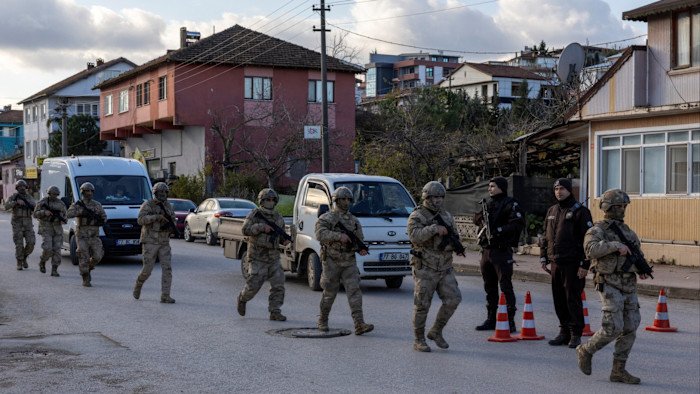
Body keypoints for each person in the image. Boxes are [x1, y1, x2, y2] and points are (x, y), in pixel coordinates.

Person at [577, 188, 649, 384]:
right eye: (618, 206)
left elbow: (636, 255)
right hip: (608, 282)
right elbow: (590, 250)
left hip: (628, 284)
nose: (622, 209)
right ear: (608, 206)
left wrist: (641, 268)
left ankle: (619, 369)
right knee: (613, 327)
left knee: (631, 327)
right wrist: (616, 246)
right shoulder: (597, 230)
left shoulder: (628, 232)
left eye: (624, 206)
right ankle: (586, 350)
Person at [407, 181, 463, 352]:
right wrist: (433, 229)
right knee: (422, 304)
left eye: (440, 197)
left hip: (445, 266)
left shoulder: (446, 216)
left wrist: (457, 245)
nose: (437, 200)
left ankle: (436, 331)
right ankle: (419, 339)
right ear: (426, 197)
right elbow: (415, 236)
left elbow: (454, 234)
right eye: (434, 197)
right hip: (426, 266)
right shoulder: (418, 216)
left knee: (454, 299)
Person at [540, 178, 593, 348]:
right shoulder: (552, 210)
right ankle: (563, 332)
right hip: (556, 262)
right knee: (559, 299)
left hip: (573, 263)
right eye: (556, 188)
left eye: (562, 188)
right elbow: (545, 236)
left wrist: (585, 265)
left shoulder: (580, 212)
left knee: (573, 298)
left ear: (569, 190)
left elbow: (588, 240)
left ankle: (576, 333)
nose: (558, 192)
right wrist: (543, 257)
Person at [315, 186, 374, 335]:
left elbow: (359, 239)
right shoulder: (327, 218)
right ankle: (323, 320)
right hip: (332, 260)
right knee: (329, 292)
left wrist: (359, 248)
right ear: (336, 200)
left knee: (354, 292)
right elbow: (320, 234)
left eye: (348, 199)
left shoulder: (354, 221)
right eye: (342, 199)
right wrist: (338, 236)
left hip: (349, 261)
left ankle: (359, 324)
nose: (346, 202)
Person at [474, 176, 525, 333]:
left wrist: (498, 231)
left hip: (502, 251)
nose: (490, 189)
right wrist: (481, 218)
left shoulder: (510, 204)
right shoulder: (488, 203)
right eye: (489, 186)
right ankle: (491, 318)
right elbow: (476, 219)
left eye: (493, 186)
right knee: (489, 286)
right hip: (487, 250)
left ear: (501, 187)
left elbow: (517, 224)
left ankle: (510, 320)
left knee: (505, 285)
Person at [236, 188, 291, 321]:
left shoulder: (278, 217)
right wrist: (261, 227)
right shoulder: (255, 215)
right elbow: (245, 230)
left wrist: (285, 240)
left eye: (273, 200)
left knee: (278, 285)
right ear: (261, 201)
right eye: (267, 200)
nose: (270, 202)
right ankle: (242, 298)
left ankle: (275, 311)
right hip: (257, 256)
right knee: (254, 285)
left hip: (273, 257)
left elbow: (280, 235)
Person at [133, 182, 176, 303]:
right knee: (147, 270)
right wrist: (156, 217)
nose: (162, 194)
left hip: (163, 241)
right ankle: (139, 284)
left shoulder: (168, 206)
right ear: (155, 193)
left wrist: (171, 227)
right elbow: (140, 220)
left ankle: (165, 295)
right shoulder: (148, 205)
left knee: (167, 268)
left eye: (164, 192)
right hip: (150, 241)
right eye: (160, 192)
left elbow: (172, 219)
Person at [66, 182, 107, 287]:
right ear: (82, 192)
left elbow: (104, 216)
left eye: (91, 191)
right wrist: (80, 212)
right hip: (82, 235)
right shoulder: (78, 204)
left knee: (98, 256)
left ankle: (88, 267)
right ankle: (85, 277)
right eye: (87, 191)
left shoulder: (97, 205)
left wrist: (100, 221)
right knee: (83, 256)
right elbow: (68, 214)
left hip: (94, 235)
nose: (89, 193)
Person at [33, 186, 67, 277]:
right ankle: (42, 261)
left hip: (57, 229)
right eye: (53, 194)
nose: (54, 196)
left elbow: (65, 214)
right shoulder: (43, 202)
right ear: (49, 194)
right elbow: (35, 214)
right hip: (46, 228)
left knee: (57, 250)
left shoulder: (61, 204)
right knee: (47, 248)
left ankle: (54, 269)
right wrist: (44, 213)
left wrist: (63, 220)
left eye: (56, 195)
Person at [5, 180, 36, 270]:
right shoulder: (13, 197)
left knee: (31, 243)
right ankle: (19, 262)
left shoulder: (29, 197)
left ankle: (25, 257)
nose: (22, 188)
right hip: (17, 224)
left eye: (23, 187)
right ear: (17, 188)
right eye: (20, 187)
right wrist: (16, 202)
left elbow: (34, 206)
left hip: (28, 224)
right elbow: (6, 206)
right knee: (19, 245)